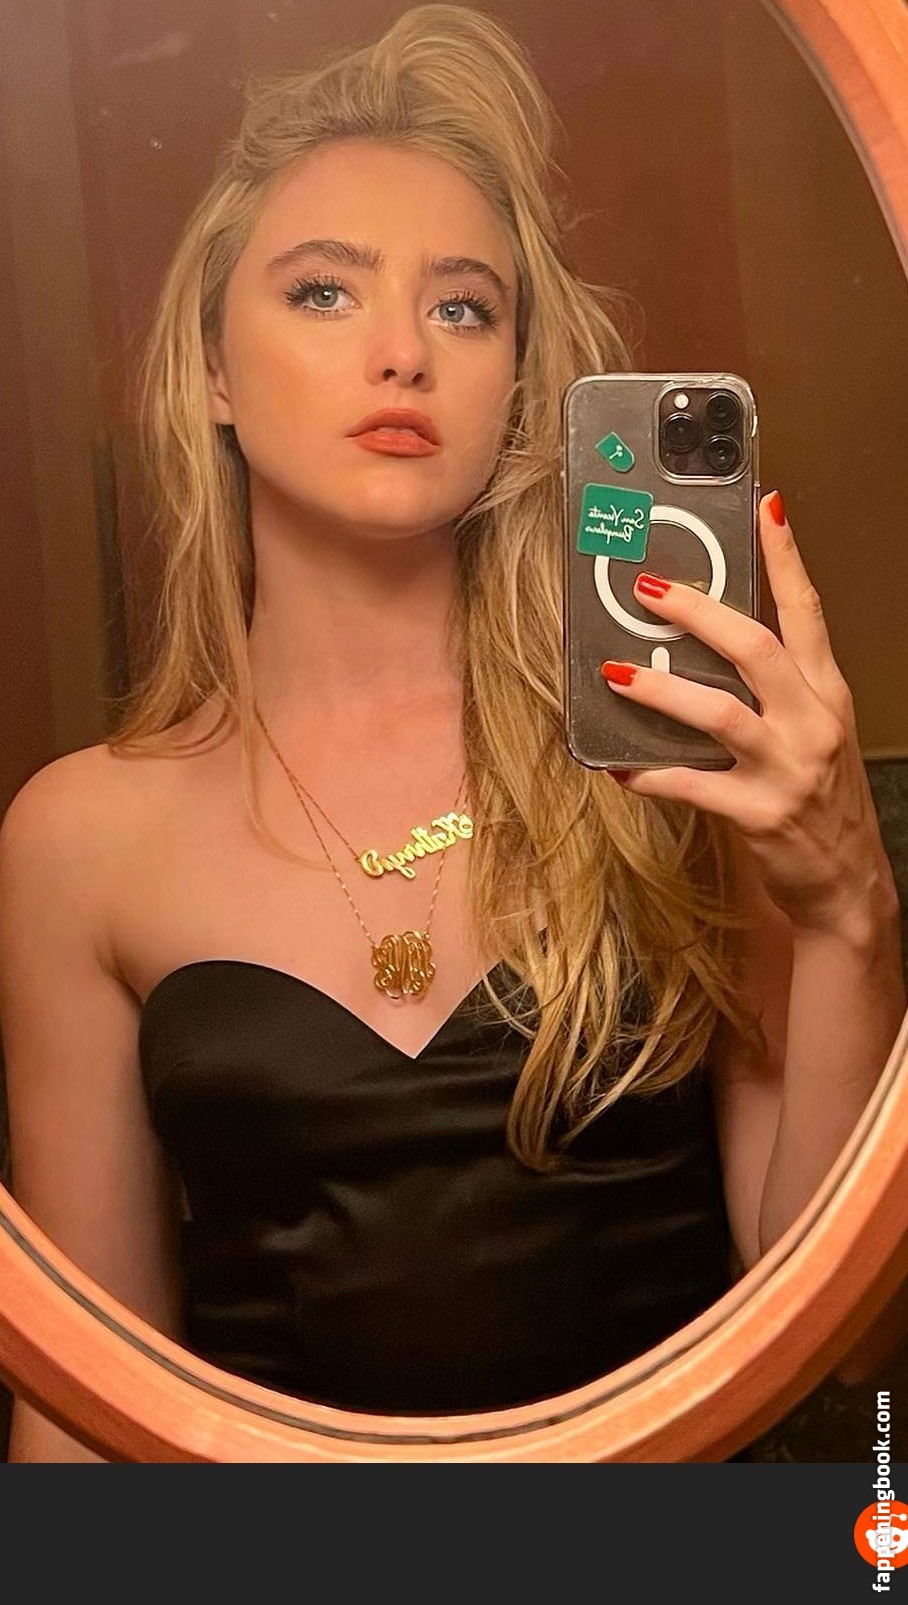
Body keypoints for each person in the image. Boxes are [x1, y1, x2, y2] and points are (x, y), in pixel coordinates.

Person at [0, 4, 903, 1464]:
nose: (403, 353)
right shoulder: (77, 840)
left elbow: (840, 1337)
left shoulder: (665, 753)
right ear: (214, 369)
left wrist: (850, 908)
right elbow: (83, 1410)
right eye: (323, 292)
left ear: (521, 386)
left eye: (465, 307)